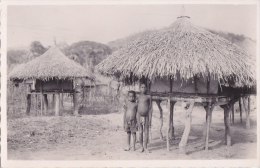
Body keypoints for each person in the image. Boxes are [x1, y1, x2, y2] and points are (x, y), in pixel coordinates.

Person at [137, 83, 152, 153]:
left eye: (144, 87)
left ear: (146, 88)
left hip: (146, 116)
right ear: (140, 88)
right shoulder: (138, 97)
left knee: (146, 132)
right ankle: (141, 147)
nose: (143, 88)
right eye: (142, 87)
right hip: (139, 116)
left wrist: (150, 118)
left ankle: (145, 147)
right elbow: (135, 106)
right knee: (140, 132)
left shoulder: (148, 97)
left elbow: (150, 108)